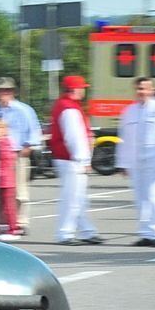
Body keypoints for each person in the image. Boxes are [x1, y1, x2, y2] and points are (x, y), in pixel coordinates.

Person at [50, 75, 104, 246]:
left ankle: (87, 231)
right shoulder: (69, 109)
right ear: (74, 89)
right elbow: (74, 137)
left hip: (68, 158)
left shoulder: (67, 106)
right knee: (73, 197)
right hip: (72, 159)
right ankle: (65, 233)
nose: (84, 90)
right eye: (82, 88)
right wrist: (83, 159)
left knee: (79, 197)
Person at [117, 77, 155, 247]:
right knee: (140, 198)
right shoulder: (129, 111)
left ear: (152, 90)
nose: (141, 92)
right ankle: (146, 233)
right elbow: (124, 138)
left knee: (154, 196)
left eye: (144, 89)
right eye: (138, 89)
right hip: (135, 161)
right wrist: (122, 162)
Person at [0, 77, 42, 235]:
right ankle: (3, 221)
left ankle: (21, 221)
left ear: (12, 92)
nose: (2, 93)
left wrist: (29, 146)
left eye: (6, 90)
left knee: (20, 189)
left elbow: (34, 129)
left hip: (18, 152)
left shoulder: (23, 109)